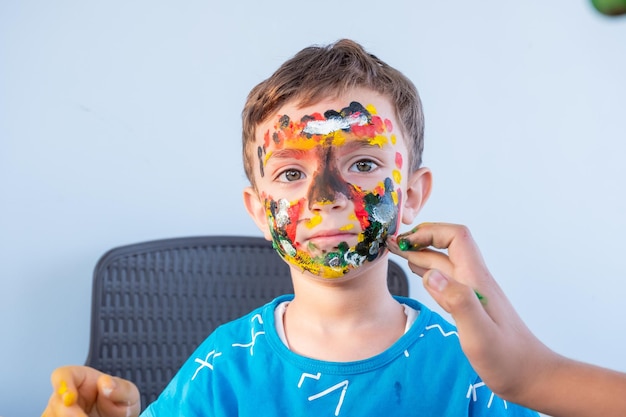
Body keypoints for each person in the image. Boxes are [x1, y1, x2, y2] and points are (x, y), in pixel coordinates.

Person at [42, 39, 539, 416]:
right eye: (291, 173)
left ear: (410, 194)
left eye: (364, 164)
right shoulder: (221, 368)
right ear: (260, 210)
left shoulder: (476, 367)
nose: (326, 197)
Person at [388, 222, 626, 417]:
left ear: (411, 194)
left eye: (364, 165)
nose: (347, 199)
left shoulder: (468, 368)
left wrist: (533, 378)